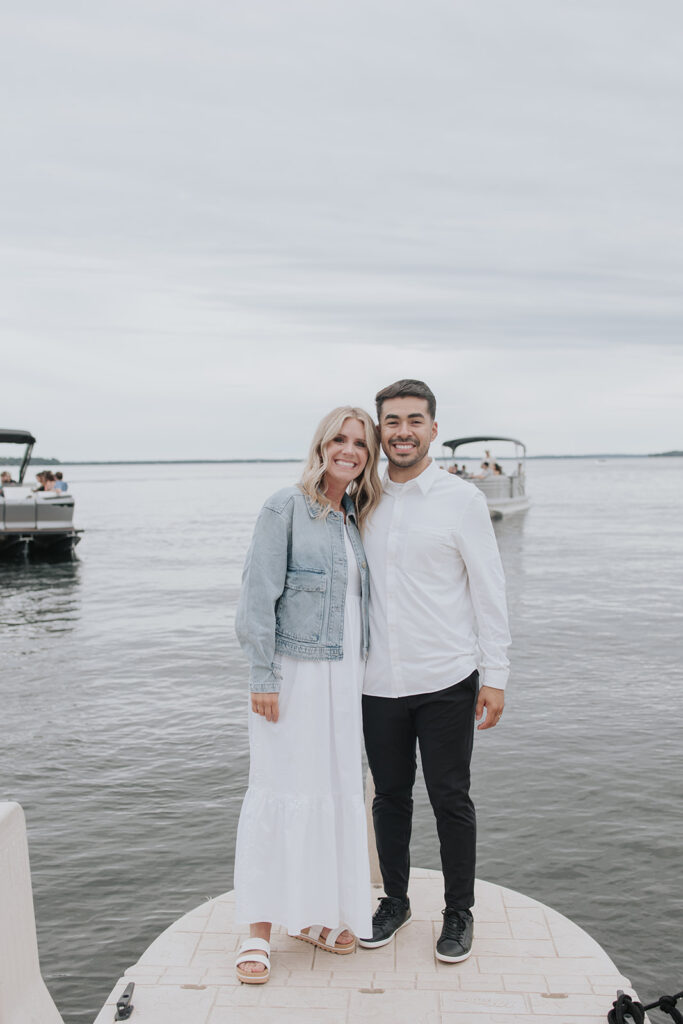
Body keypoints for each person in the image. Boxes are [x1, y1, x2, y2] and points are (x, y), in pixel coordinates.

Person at [359, 379, 510, 964]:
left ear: (432, 429)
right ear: (380, 429)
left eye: (413, 421)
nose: (402, 432)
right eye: (392, 421)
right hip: (377, 682)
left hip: (447, 678)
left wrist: (495, 675)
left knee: (451, 798)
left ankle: (458, 913)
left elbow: (489, 590)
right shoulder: (362, 498)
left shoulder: (461, 500)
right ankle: (394, 902)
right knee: (389, 797)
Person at [233, 406, 382, 984]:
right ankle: (257, 930)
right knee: (279, 788)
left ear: (368, 457)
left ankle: (313, 916)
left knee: (331, 790)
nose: (349, 449)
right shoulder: (285, 506)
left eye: (359, 443)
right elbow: (256, 598)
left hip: (343, 679)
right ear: (320, 445)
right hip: (293, 674)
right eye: (339, 439)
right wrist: (263, 676)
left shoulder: (354, 516)